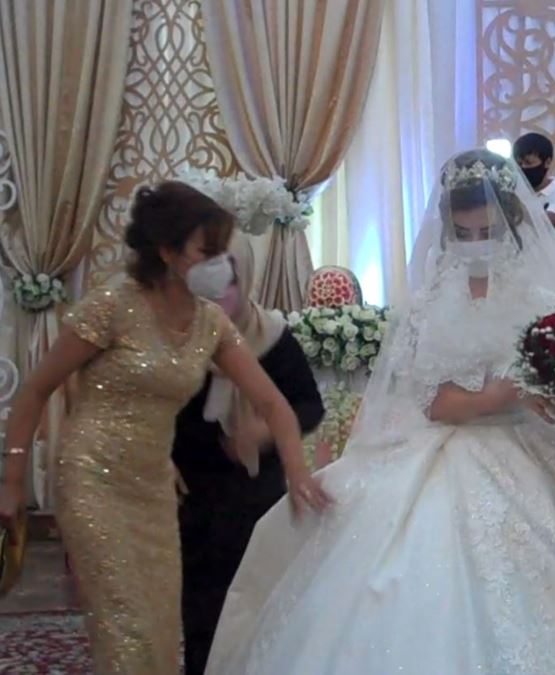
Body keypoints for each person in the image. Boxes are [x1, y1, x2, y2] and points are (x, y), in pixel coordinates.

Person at [204, 150, 555, 674]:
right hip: (443, 450)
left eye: (485, 231)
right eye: (463, 234)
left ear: (511, 223)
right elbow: (435, 402)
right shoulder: (430, 304)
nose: (475, 243)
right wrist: (505, 393)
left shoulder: (543, 299)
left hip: (530, 451)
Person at [0, 181, 330, 675]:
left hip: (154, 491)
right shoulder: (113, 306)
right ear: (167, 252)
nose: (220, 265)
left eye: (222, 252)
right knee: (126, 629)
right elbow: (34, 390)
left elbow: (273, 403)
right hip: (94, 481)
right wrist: (11, 481)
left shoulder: (210, 323)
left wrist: (298, 472)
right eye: (206, 252)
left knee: (158, 633)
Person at [173, 232, 325, 675]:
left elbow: (308, 405)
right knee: (201, 608)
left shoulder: (271, 337)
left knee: (253, 602)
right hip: (190, 493)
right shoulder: (179, 338)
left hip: (254, 493)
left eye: (230, 282)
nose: (220, 295)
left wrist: (264, 431)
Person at [514, 132, 555, 227]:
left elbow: (546, 223)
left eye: (528, 163)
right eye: (519, 164)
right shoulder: (514, 190)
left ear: (547, 162)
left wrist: (513, 206)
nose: (523, 168)